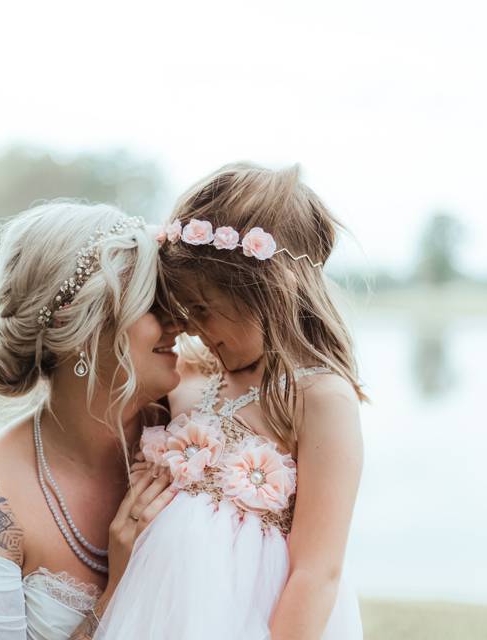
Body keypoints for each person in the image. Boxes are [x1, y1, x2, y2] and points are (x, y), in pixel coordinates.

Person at [91, 164, 366, 639]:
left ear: (265, 293)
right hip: (158, 613)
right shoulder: (191, 376)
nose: (193, 326)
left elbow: (316, 573)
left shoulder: (320, 399)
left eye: (203, 308)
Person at [0, 201, 183, 639]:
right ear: (77, 325)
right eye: (152, 302)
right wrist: (117, 591)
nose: (178, 321)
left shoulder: (202, 429)